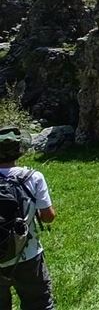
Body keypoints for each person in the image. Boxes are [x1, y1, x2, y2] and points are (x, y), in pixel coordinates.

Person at [0, 126, 56, 310]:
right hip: (28, 256)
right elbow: (48, 217)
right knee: (39, 303)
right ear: (19, 150)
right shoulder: (33, 177)